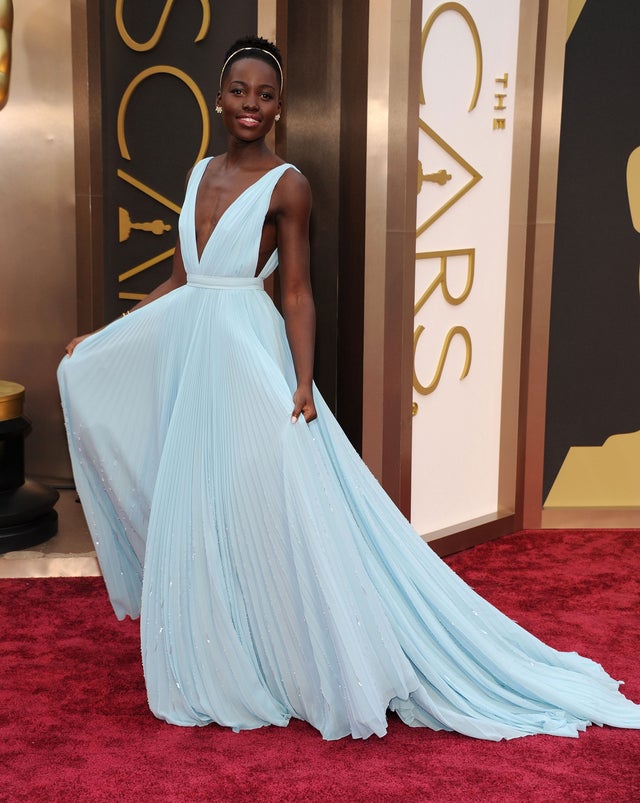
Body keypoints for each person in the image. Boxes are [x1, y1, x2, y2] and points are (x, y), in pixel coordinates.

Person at [58, 36, 640, 741]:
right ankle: (227, 652)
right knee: (201, 500)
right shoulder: (196, 173)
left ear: (280, 108)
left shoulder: (288, 184)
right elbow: (181, 284)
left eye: (265, 94)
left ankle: (300, 654)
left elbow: (296, 292)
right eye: (239, 90)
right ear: (219, 97)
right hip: (194, 361)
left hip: (249, 356)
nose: (251, 104)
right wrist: (105, 337)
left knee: (274, 504)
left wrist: (302, 381)